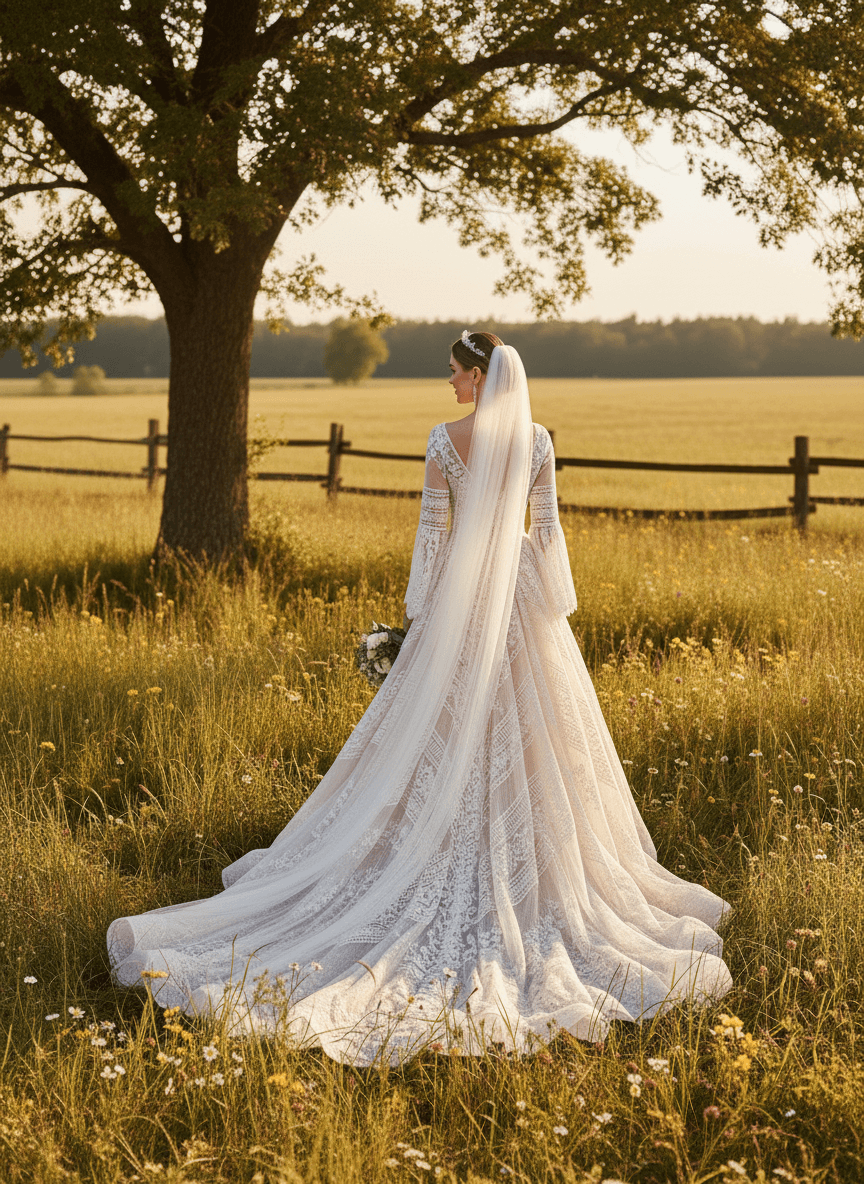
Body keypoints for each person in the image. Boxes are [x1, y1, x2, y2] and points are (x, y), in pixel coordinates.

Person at [108, 333, 732, 1064]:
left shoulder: (445, 441)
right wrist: (549, 608)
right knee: (535, 731)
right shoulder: (537, 442)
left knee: (449, 727)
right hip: (521, 600)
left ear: (480, 376)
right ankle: (522, 861)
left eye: (456, 372)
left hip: (465, 599)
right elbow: (546, 529)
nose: (450, 383)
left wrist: (422, 620)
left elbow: (433, 535)